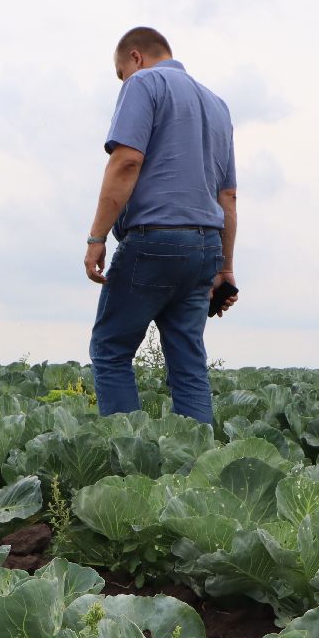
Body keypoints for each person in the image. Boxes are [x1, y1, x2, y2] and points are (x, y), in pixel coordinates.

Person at [83, 26, 238, 424]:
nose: (124, 82)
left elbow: (126, 161)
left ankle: (129, 470)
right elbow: (228, 199)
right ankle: (198, 472)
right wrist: (225, 269)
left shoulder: (144, 84)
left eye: (122, 73)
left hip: (155, 239)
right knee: (188, 364)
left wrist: (97, 237)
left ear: (135, 58)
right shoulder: (217, 105)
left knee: (111, 349)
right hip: (205, 246)